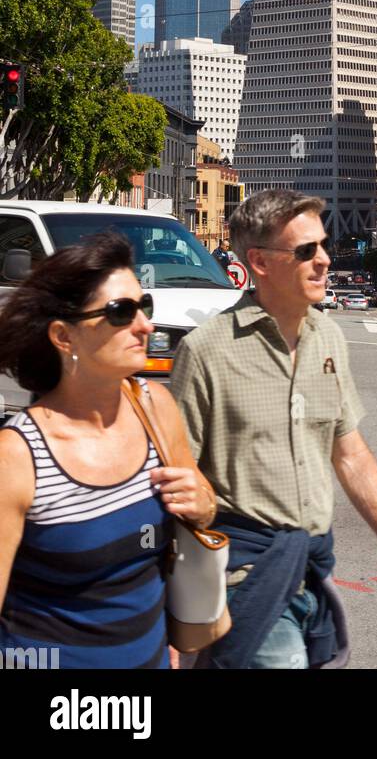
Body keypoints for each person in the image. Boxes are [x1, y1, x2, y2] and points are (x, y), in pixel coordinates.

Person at [169, 189, 377, 669]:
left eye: (323, 245)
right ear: (260, 263)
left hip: (313, 569)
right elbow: (177, 480)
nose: (325, 261)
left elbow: (350, 453)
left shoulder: (328, 337)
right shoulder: (207, 350)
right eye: (306, 251)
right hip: (245, 572)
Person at [0, 233, 215, 669]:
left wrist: (202, 502)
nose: (146, 326)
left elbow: (202, 512)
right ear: (64, 336)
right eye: (122, 312)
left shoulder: (155, 407)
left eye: (145, 306)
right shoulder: (17, 457)